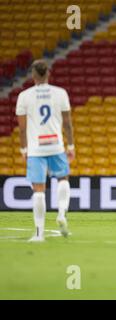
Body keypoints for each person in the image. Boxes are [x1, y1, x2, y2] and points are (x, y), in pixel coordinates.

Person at [16, 60, 74, 242]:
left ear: (33, 75)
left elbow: (21, 128)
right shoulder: (60, 93)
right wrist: (71, 146)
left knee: (39, 190)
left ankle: (39, 233)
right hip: (56, 145)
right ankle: (62, 213)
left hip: (35, 148)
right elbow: (68, 124)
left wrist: (24, 148)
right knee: (63, 179)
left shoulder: (24, 96)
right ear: (48, 74)